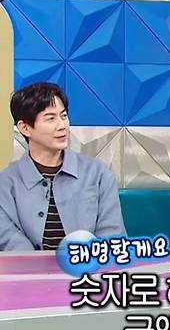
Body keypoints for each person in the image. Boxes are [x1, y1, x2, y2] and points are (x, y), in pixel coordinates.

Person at [0, 82, 125, 251]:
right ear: (25, 128)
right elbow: (9, 240)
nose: (62, 126)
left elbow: (111, 234)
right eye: (50, 118)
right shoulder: (6, 182)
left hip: (89, 265)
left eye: (64, 116)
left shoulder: (98, 174)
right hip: (28, 267)